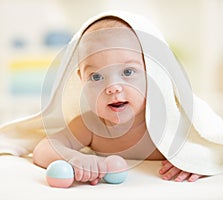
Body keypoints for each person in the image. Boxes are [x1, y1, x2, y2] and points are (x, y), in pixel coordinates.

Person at [33, 16, 202, 185]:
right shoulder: (91, 126)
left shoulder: (168, 120)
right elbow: (43, 149)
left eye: (128, 72)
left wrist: (193, 161)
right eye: (96, 76)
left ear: (152, 72)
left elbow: (212, 144)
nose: (112, 87)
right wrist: (73, 158)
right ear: (82, 80)